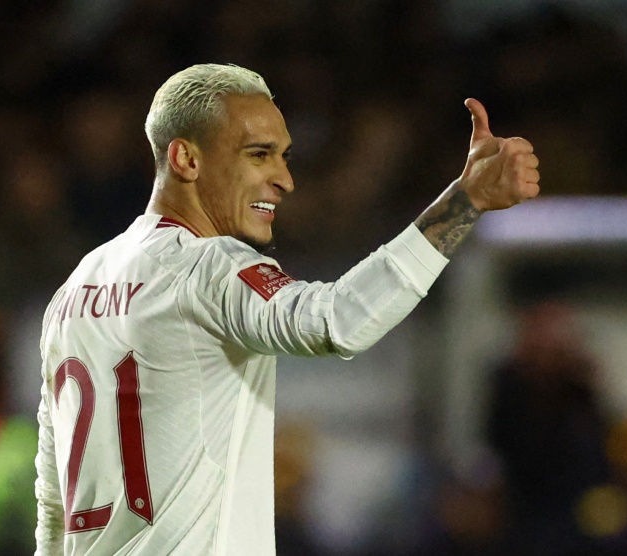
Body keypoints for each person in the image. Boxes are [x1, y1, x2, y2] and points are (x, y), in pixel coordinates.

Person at [34, 63, 540, 555]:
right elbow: (337, 321)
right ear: (186, 159)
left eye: (284, 156)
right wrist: (466, 200)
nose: (285, 179)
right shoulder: (208, 268)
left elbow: (54, 501)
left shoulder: (73, 291)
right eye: (259, 154)